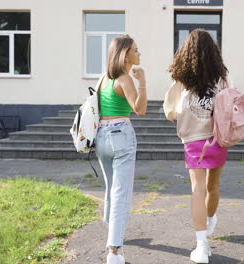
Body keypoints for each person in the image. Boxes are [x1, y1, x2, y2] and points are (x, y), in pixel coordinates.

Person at [166, 29, 229, 264]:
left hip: (193, 140)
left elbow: (170, 112)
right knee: (213, 186)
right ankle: (210, 218)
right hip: (218, 138)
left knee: (197, 189)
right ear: (213, 52)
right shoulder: (222, 79)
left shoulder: (181, 79)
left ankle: (202, 246)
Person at [95, 34, 147, 264]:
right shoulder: (124, 79)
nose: (139, 53)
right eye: (136, 50)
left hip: (101, 138)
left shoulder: (103, 78)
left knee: (111, 187)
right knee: (120, 193)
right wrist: (143, 81)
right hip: (121, 135)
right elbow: (140, 109)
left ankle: (112, 229)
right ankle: (114, 251)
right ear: (125, 54)